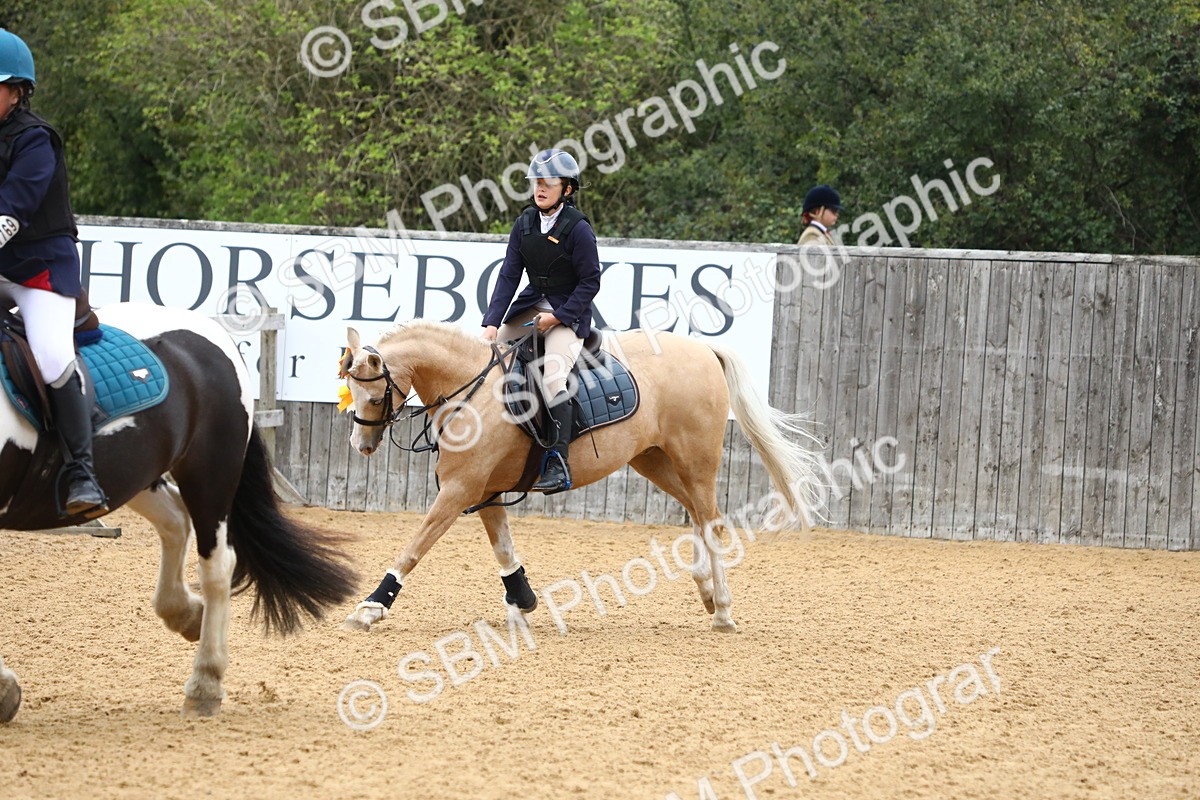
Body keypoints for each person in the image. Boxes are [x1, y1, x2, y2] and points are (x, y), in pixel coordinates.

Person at [0, 29, 107, 516]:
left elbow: (13, 210)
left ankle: (82, 473)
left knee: (50, 355)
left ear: (17, 90)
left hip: (38, 269)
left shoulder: (35, 139)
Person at [482, 148, 601, 493]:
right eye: (537, 182)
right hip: (531, 306)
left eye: (548, 183)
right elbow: (509, 275)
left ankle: (558, 462)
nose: (540, 188)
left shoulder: (578, 229)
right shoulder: (524, 224)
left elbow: (590, 282)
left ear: (567, 189)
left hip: (568, 314)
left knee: (553, 378)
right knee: (489, 356)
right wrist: (491, 323)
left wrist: (558, 317)